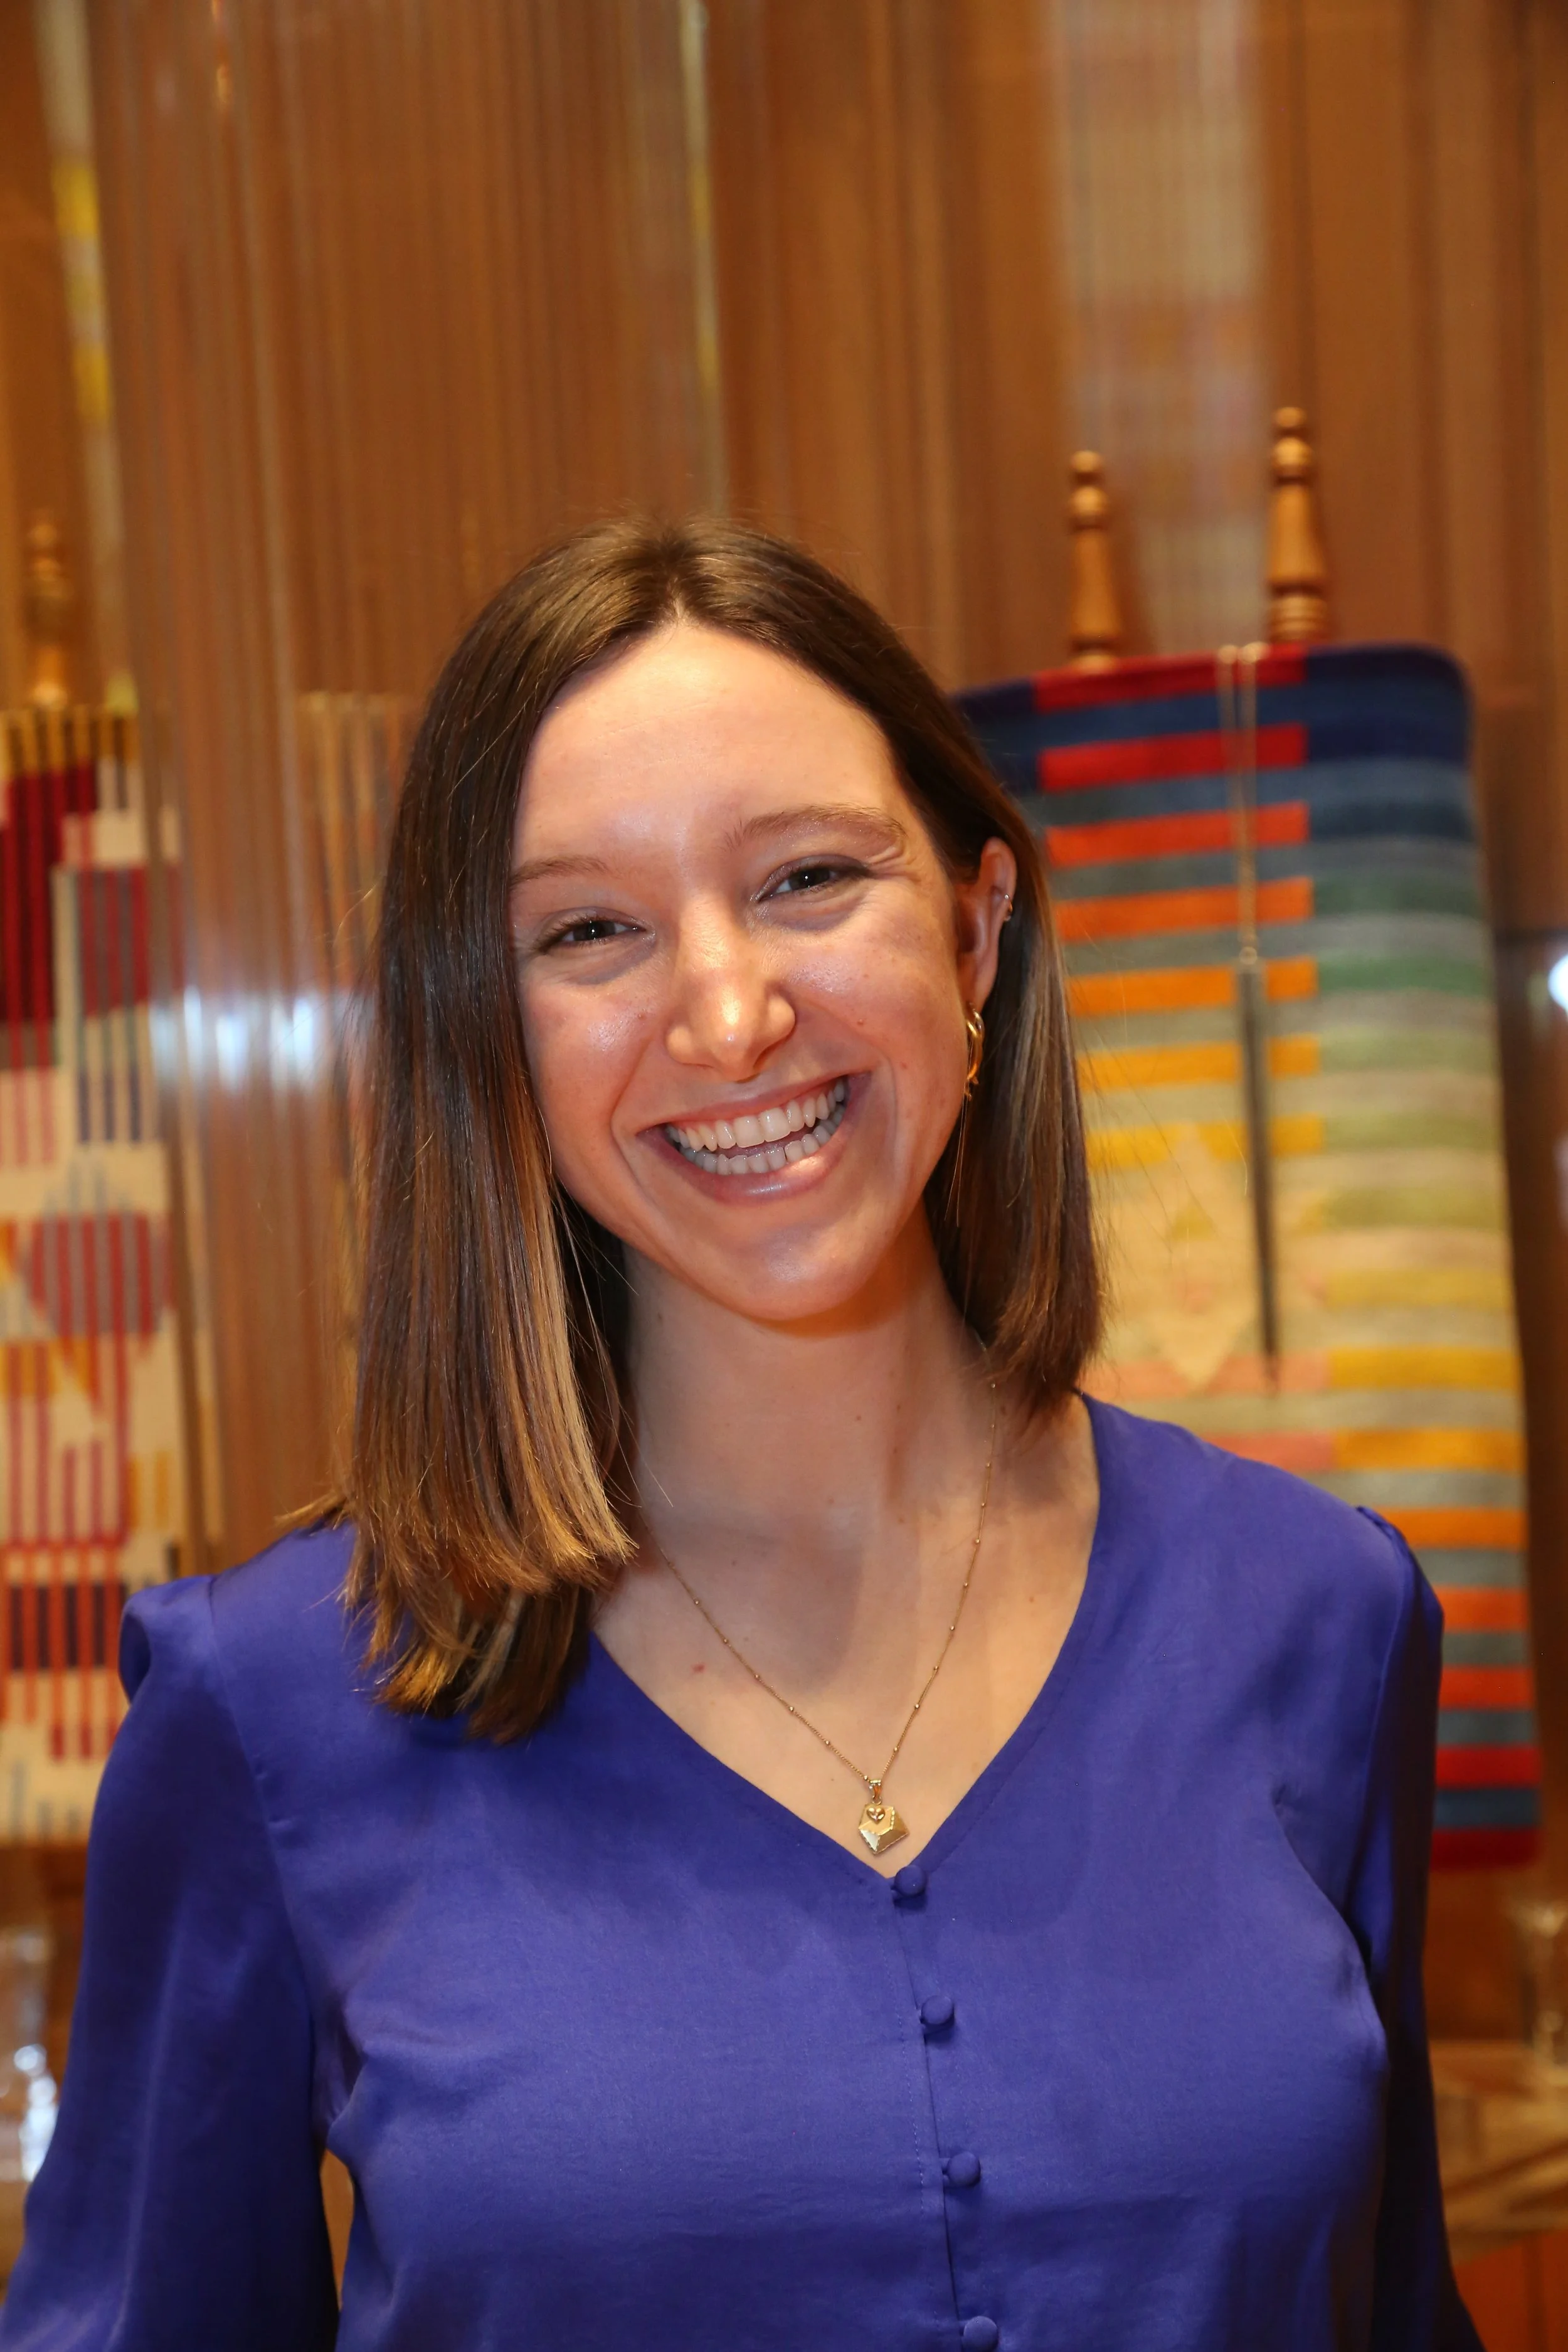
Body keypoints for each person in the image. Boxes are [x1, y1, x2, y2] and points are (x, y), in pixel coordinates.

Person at [0, 519, 1476, 2351]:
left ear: (975, 927)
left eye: (803, 878)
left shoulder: (1314, 1610)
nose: (725, 1009)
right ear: (496, 1044)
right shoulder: (280, 1704)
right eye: (591, 929)